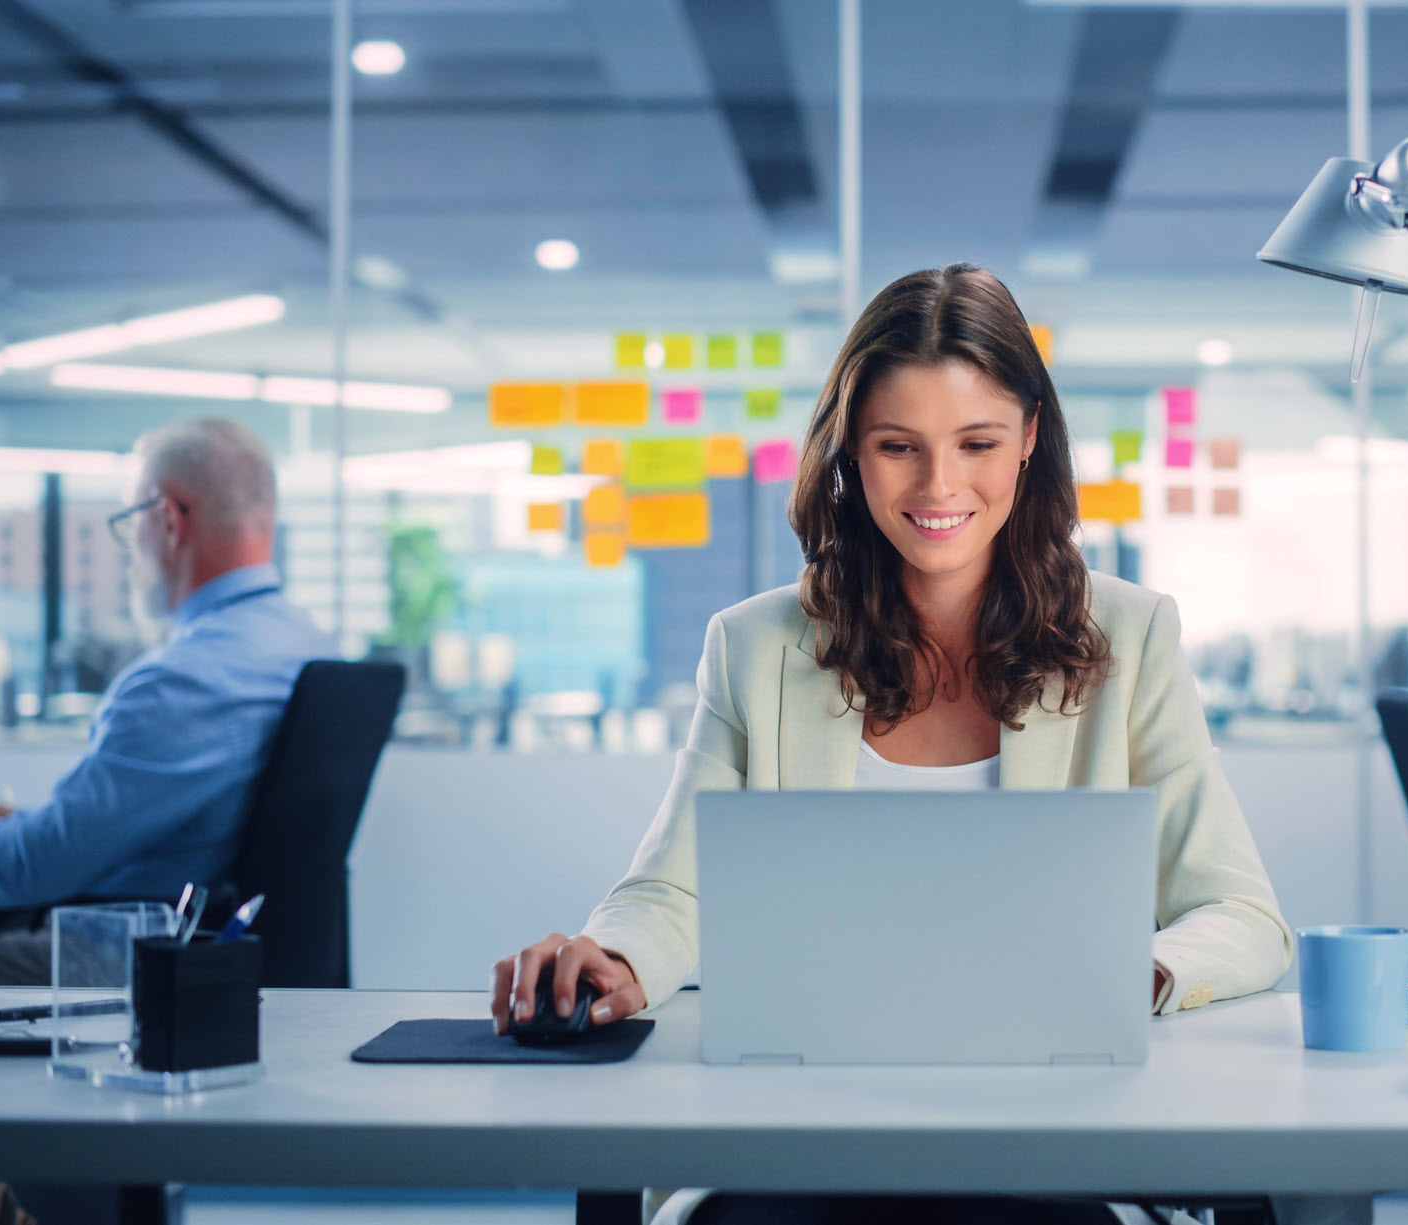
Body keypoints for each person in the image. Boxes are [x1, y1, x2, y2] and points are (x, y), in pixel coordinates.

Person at [492, 264, 1293, 1224]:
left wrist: (1141, 970)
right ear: (851, 456)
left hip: (1054, 1136)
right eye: (898, 446)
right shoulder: (755, 647)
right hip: (802, 1134)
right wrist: (613, 958)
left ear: (1031, 439)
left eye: (978, 443)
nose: (940, 484)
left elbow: (1242, 914)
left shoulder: (1132, 635)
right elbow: (673, 890)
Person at [0, 418, 337, 984]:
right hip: (214, 936)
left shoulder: (182, 681)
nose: (131, 550)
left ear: (167, 520)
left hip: (141, 946)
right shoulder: (306, 644)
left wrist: (25, 838)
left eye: (130, 523)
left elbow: (35, 869)